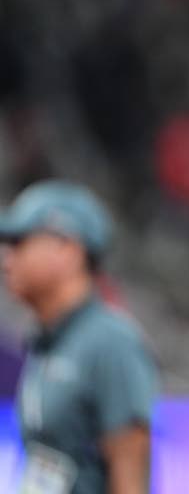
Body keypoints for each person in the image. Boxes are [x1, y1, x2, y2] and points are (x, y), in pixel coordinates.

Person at [0, 181, 157, 494]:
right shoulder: (49, 340)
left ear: (68, 250)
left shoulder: (111, 343)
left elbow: (130, 483)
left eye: (20, 242)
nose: (7, 258)